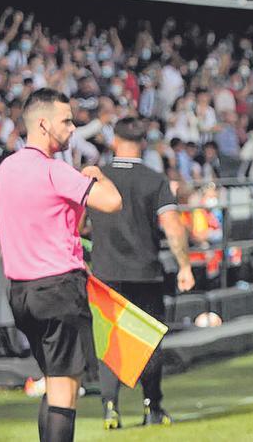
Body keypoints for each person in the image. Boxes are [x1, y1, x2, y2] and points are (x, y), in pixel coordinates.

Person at [0, 88, 123, 442]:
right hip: (59, 290)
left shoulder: (6, 170)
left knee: (54, 383)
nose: (72, 128)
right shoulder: (56, 171)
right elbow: (112, 203)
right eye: (66, 121)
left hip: (20, 292)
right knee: (65, 396)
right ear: (43, 124)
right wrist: (96, 174)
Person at [88, 117, 196, 429]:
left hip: (106, 272)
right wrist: (185, 266)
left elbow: (79, 221)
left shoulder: (98, 177)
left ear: (114, 141)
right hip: (145, 271)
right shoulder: (154, 179)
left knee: (109, 340)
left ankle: (110, 407)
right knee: (149, 341)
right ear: (143, 143)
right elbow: (173, 226)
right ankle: (153, 406)